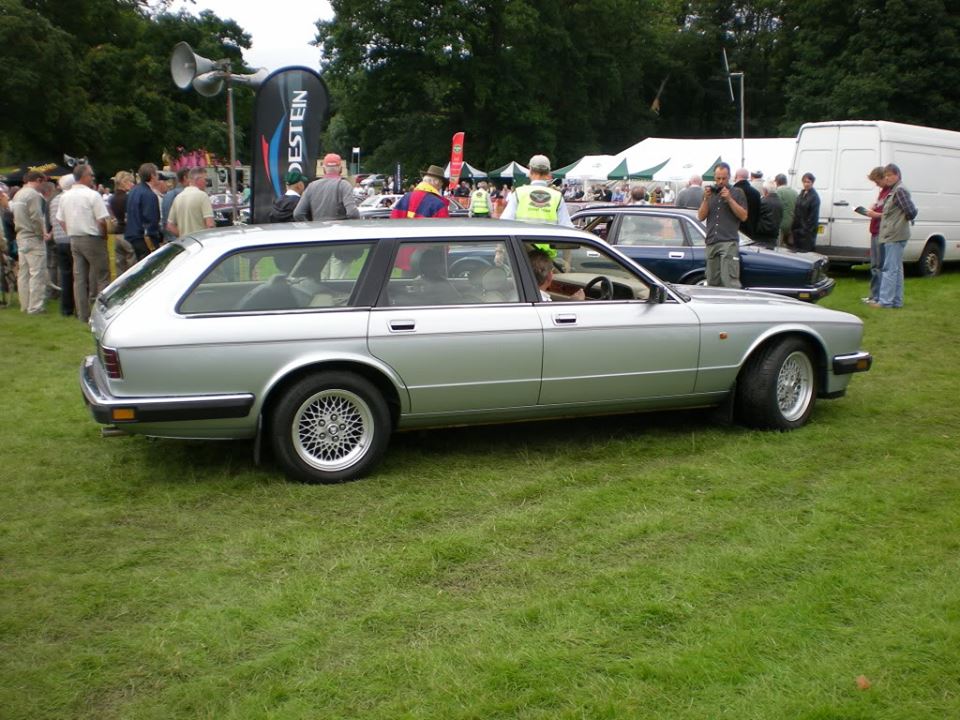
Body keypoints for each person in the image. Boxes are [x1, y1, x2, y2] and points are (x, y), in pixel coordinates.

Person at [56, 163, 110, 323]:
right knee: (102, 276)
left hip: (74, 238)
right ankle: (102, 314)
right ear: (85, 177)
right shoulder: (92, 195)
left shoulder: (65, 196)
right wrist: (104, 236)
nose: (93, 178)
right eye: (91, 175)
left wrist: (70, 231)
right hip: (91, 237)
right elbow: (102, 220)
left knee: (79, 279)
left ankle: (82, 315)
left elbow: (60, 219)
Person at [869, 163, 917, 309]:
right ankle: (896, 301)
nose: (887, 178)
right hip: (894, 234)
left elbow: (911, 211)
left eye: (890, 175)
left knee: (889, 269)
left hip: (895, 235)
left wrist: (899, 221)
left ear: (897, 175)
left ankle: (885, 301)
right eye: (886, 175)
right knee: (896, 269)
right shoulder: (894, 190)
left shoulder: (899, 191)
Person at [697, 162, 747, 288]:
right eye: (718, 178)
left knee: (729, 281)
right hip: (711, 241)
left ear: (729, 177)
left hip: (728, 241)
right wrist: (705, 199)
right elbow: (701, 216)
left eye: (723, 178)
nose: (720, 181)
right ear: (714, 177)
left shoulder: (737, 192)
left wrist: (729, 199)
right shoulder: (710, 193)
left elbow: (743, 216)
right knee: (712, 281)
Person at [11, 170, 49, 314]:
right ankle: (35, 307)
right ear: (38, 180)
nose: (43, 186)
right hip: (33, 237)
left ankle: (25, 305)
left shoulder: (18, 194)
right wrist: (42, 233)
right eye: (43, 182)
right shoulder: (33, 195)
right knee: (37, 273)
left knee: (24, 273)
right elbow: (36, 216)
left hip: (21, 236)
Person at [500, 154, 573, 227]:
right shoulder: (557, 197)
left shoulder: (518, 193)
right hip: (548, 238)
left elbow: (505, 223)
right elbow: (567, 227)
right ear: (548, 174)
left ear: (530, 171)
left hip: (523, 238)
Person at [293, 153, 359, 221]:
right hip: (339, 230)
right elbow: (352, 213)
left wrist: (310, 227)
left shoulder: (312, 186)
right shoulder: (344, 185)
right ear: (340, 168)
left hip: (318, 229)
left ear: (324, 168)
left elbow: (298, 213)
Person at [48, 174, 76, 316]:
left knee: (65, 275)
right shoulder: (69, 199)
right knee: (78, 275)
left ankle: (66, 308)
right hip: (70, 239)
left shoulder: (54, 200)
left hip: (59, 240)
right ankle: (77, 305)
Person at [862, 166, 890, 304]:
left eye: (877, 181)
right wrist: (872, 208)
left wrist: (875, 214)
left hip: (881, 232)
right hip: (874, 231)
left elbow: (890, 214)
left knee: (879, 265)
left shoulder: (890, 193)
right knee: (874, 265)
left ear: (883, 177)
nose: (876, 184)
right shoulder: (882, 192)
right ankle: (873, 295)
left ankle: (879, 296)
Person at [124, 163, 163, 261]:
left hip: (132, 235)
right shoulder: (149, 195)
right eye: (157, 174)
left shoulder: (134, 190)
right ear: (152, 175)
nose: (158, 177)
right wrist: (156, 236)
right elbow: (151, 219)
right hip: (145, 238)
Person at [166, 167, 215, 238]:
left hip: (186, 244)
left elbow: (170, 226)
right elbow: (210, 224)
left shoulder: (178, 197)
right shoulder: (203, 196)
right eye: (205, 179)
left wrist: (183, 237)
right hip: (201, 242)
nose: (206, 182)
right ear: (198, 179)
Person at [110, 171, 135, 276]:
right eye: (130, 182)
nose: (133, 184)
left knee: (119, 267)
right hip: (127, 233)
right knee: (132, 265)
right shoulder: (128, 198)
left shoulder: (112, 198)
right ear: (124, 182)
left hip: (117, 233)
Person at [791, 172, 821, 252]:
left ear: (812, 183)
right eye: (804, 182)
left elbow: (813, 217)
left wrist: (804, 231)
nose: (806, 184)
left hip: (806, 233)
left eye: (808, 182)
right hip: (797, 230)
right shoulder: (802, 194)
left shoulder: (814, 197)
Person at [160, 168, 190, 244]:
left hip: (169, 237)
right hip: (181, 238)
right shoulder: (184, 195)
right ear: (185, 178)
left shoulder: (167, 195)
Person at [733, 167, 761, 239]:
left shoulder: (732, 192)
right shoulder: (756, 193)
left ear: (736, 176)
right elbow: (758, 214)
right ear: (747, 177)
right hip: (750, 232)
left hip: (734, 232)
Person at [754, 182, 783, 246]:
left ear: (765, 190)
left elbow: (755, 217)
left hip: (762, 236)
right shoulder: (780, 202)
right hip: (773, 236)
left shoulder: (763, 202)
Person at [775, 173, 797, 247]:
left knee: (778, 248)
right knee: (789, 249)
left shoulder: (777, 192)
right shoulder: (795, 192)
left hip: (781, 224)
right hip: (792, 224)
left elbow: (776, 208)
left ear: (777, 182)